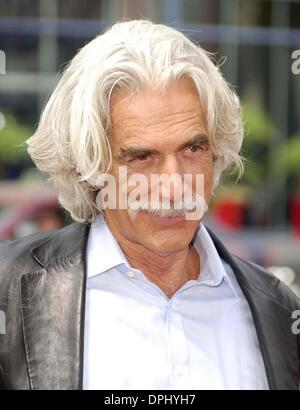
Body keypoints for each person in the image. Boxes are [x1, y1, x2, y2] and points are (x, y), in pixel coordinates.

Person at [0, 20, 299, 390]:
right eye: (141, 157)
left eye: (192, 149)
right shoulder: (9, 292)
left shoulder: (278, 310)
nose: (174, 185)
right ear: (90, 169)